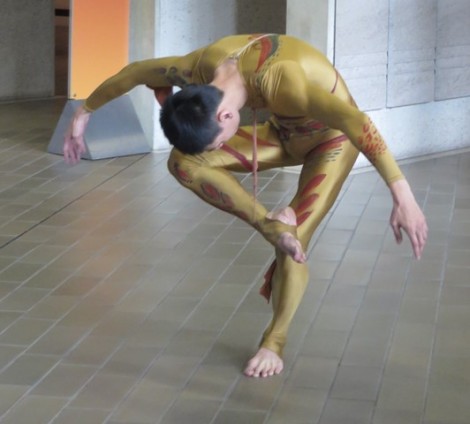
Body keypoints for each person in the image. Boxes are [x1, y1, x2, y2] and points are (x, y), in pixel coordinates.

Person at [63, 34, 428, 378]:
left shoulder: (282, 82)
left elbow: (357, 122)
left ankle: (274, 341)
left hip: (331, 142)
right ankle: (270, 225)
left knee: (294, 241)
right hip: (282, 134)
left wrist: (403, 196)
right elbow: (136, 71)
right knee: (181, 162)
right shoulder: (199, 68)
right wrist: (84, 112)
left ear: (224, 117)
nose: (219, 150)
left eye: (215, 143)